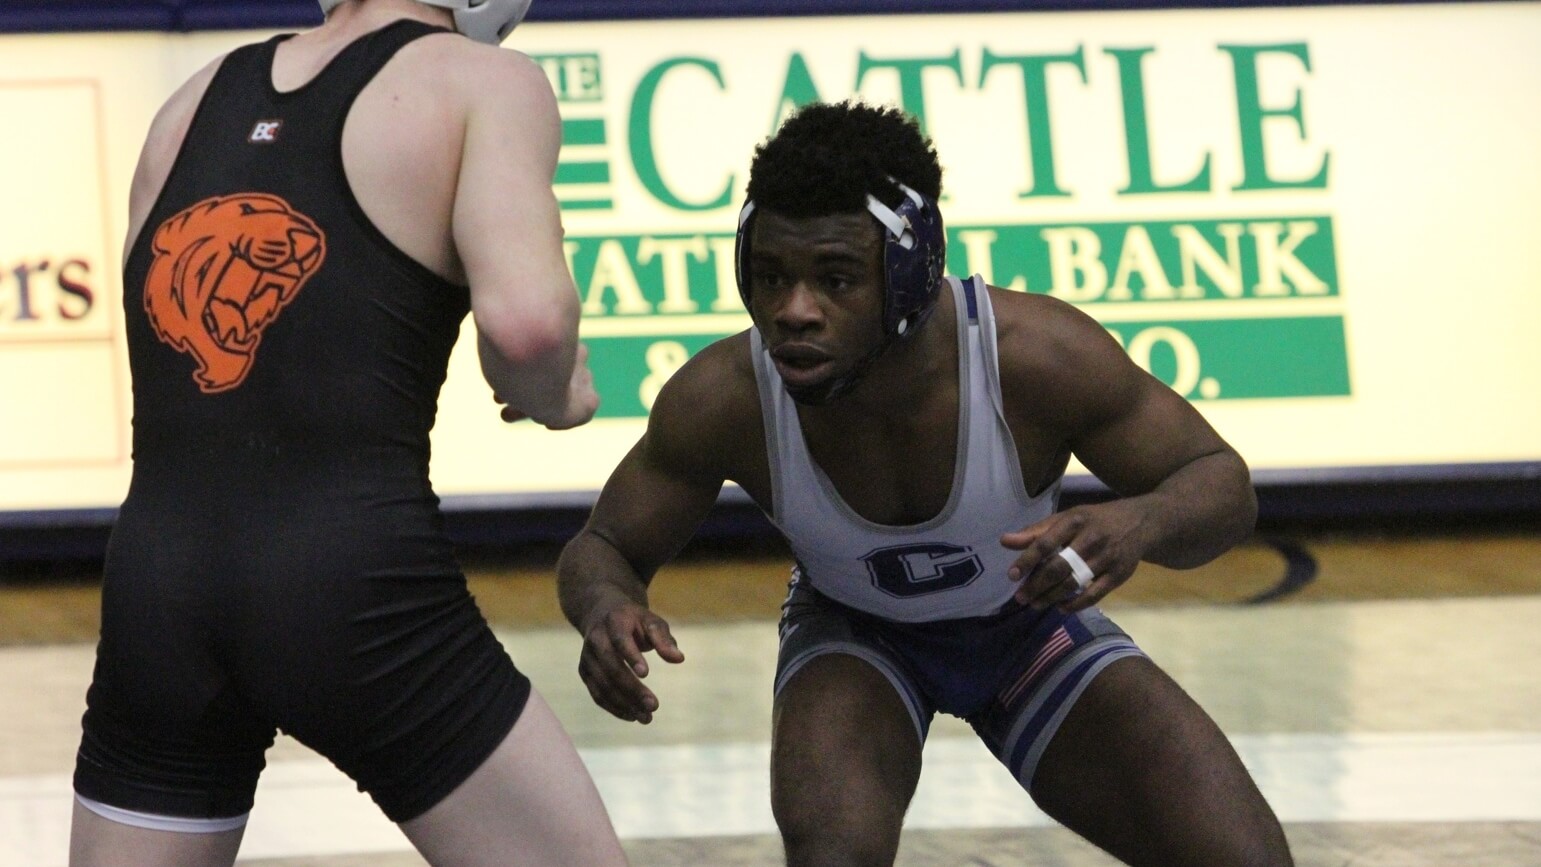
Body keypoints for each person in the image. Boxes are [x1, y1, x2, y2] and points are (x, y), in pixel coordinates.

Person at [557, 100, 1293, 866]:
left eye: (834, 278)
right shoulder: (726, 396)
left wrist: (1135, 524)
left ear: (909, 270)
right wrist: (607, 607)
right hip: (855, 636)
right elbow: (604, 544)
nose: (791, 311)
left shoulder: (1034, 358)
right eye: (770, 276)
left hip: (1026, 627)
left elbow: (1220, 485)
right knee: (831, 850)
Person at [69, 1, 629, 865]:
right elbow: (526, 327)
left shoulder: (190, 99)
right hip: (351, 581)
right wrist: (555, 393)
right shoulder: (485, 82)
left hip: (160, 581)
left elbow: (159, 326)